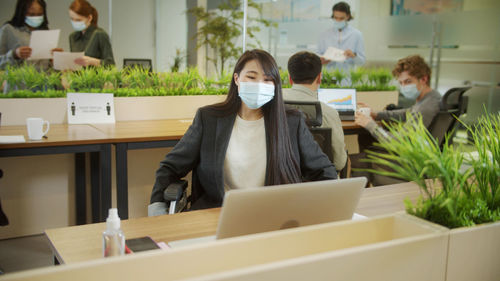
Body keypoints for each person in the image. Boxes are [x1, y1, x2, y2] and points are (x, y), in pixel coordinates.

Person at [148, 49, 337, 216]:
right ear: (237, 78)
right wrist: (157, 206)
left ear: (275, 85)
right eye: (251, 77)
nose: (259, 84)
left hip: (274, 215)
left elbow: (325, 172)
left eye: (268, 79)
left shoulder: (291, 122)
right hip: (218, 214)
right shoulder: (209, 119)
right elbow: (170, 168)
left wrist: (305, 207)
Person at [352, 55, 441, 186]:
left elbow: (397, 143)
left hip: (409, 161)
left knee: (354, 160)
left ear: (424, 79)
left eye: (408, 82)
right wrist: (376, 114)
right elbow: (407, 112)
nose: (404, 86)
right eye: (401, 83)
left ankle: (365, 200)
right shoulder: (431, 98)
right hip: (415, 155)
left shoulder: (427, 106)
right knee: (366, 141)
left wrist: (369, 124)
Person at [283, 51, 347, 171]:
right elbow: (339, 163)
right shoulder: (329, 113)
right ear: (319, 78)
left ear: (290, 78)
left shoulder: (273, 103)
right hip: (318, 183)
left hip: (280, 178)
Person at [0, 0, 51, 70]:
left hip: (43, 79)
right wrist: (14, 54)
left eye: (39, 14)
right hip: (18, 79)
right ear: (22, 13)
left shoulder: (46, 31)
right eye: (31, 14)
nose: (36, 18)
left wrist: (56, 58)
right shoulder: (8, 29)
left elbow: (48, 65)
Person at [317, 1, 365, 72]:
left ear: (348, 16)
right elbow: (317, 59)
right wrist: (322, 61)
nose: (338, 20)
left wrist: (354, 56)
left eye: (341, 18)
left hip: (347, 78)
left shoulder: (356, 34)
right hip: (329, 77)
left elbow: (361, 62)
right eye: (336, 18)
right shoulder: (324, 35)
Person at [66, 0, 115, 66]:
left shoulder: (100, 34)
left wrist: (93, 61)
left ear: (89, 18)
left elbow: (111, 64)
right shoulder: (73, 37)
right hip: (78, 76)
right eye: (72, 19)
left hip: (95, 76)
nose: (74, 22)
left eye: (78, 20)